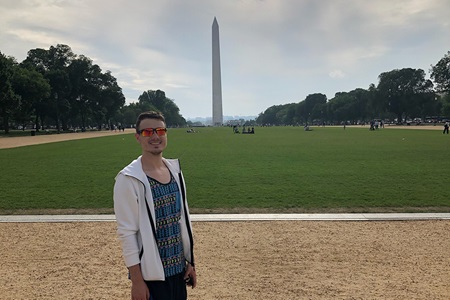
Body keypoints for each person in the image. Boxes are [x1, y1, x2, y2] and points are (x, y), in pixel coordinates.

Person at [114, 111, 196, 300]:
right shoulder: (128, 179)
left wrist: (190, 262)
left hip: (179, 272)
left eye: (159, 130)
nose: (155, 136)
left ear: (166, 134)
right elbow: (127, 233)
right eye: (147, 132)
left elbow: (181, 220)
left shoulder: (175, 171)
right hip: (151, 276)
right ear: (137, 137)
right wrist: (137, 281)